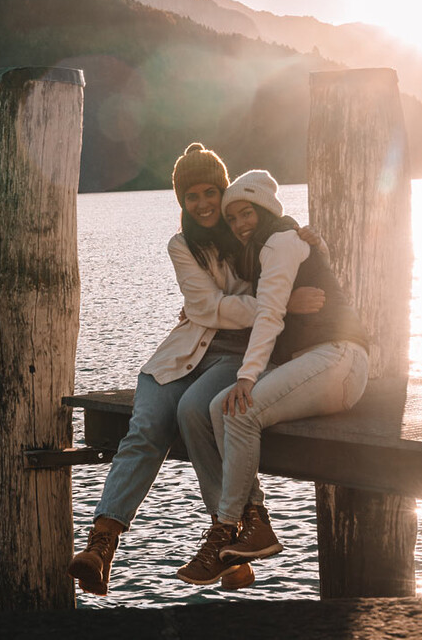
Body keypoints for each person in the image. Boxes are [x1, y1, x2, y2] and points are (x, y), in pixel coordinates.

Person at [67, 145, 325, 596]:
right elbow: (205, 306)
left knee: (195, 410)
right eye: (192, 196)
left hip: (234, 354)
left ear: (225, 192)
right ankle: (100, 547)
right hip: (180, 353)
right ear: (181, 202)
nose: (204, 204)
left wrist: (309, 246)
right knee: (145, 426)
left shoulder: (250, 227)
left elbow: (284, 260)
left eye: (211, 192)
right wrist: (270, 304)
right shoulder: (181, 244)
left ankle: (227, 541)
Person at [174, 169, 370, 586]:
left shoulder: (280, 241)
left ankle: (229, 528)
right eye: (234, 219)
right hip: (311, 363)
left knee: (241, 409)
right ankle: (254, 522)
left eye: (248, 213)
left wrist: (247, 378)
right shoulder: (264, 249)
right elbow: (264, 302)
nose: (242, 224)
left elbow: (268, 314)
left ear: (265, 209)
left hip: (339, 358)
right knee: (216, 406)